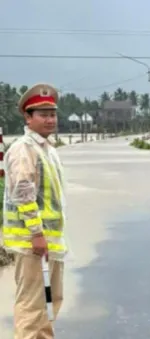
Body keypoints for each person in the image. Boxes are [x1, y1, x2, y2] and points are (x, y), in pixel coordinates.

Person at [1, 83, 67, 338]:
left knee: (49, 304)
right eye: (43, 114)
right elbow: (23, 194)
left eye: (52, 114)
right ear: (28, 118)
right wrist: (37, 234)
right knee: (32, 307)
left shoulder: (47, 150)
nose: (50, 119)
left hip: (48, 242)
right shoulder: (24, 149)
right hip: (33, 244)